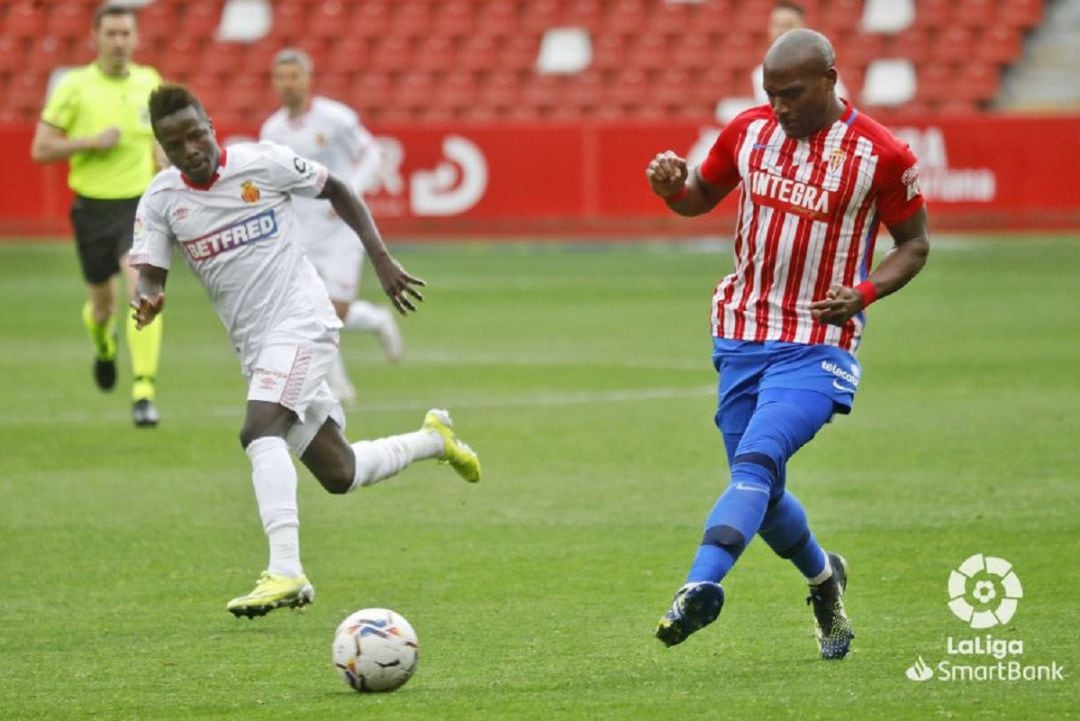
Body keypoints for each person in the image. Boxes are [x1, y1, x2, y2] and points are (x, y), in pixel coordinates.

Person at [129, 84, 481, 619]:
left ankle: (286, 570)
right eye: (176, 143)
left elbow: (336, 187)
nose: (191, 148)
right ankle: (435, 439)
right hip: (257, 346)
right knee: (341, 472)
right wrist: (147, 298)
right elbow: (150, 271)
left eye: (197, 133)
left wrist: (381, 259)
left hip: (304, 322)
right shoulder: (160, 201)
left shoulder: (260, 164)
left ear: (212, 126)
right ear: (162, 148)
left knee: (258, 429)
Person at [646, 28, 928, 659]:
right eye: (772, 94)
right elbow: (700, 196)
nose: (780, 107)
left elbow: (914, 244)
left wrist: (864, 292)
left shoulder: (882, 155)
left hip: (818, 343)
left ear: (830, 79)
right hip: (742, 334)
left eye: (792, 93)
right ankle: (825, 579)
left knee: (758, 459)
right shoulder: (747, 131)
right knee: (762, 492)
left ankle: (700, 583)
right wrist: (672, 189)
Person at [30, 4, 166, 427]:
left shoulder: (150, 81)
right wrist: (89, 142)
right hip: (91, 208)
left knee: (141, 291)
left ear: (136, 38)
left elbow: (158, 143)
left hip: (138, 207)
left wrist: (166, 170)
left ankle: (144, 391)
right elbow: (40, 149)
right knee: (102, 308)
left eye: (126, 33)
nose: (120, 41)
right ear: (96, 37)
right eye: (112, 34)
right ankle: (104, 346)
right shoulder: (75, 86)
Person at [259, 48, 401, 407]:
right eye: (281, 77)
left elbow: (370, 153)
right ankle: (338, 386)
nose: (288, 84)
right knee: (311, 310)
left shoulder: (336, 119)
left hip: (341, 230)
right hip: (301, 229)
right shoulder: (272, 130)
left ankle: (375, 319)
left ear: (308, 79)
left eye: (294, 76)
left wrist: (350, 191)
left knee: (334, 309)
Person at [751, 2, 849, 105]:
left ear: (802, 28)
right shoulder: (759, 74)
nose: (780, 31)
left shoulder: (821, 72)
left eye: (788, 25)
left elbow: (840, 107)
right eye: (775, 24)